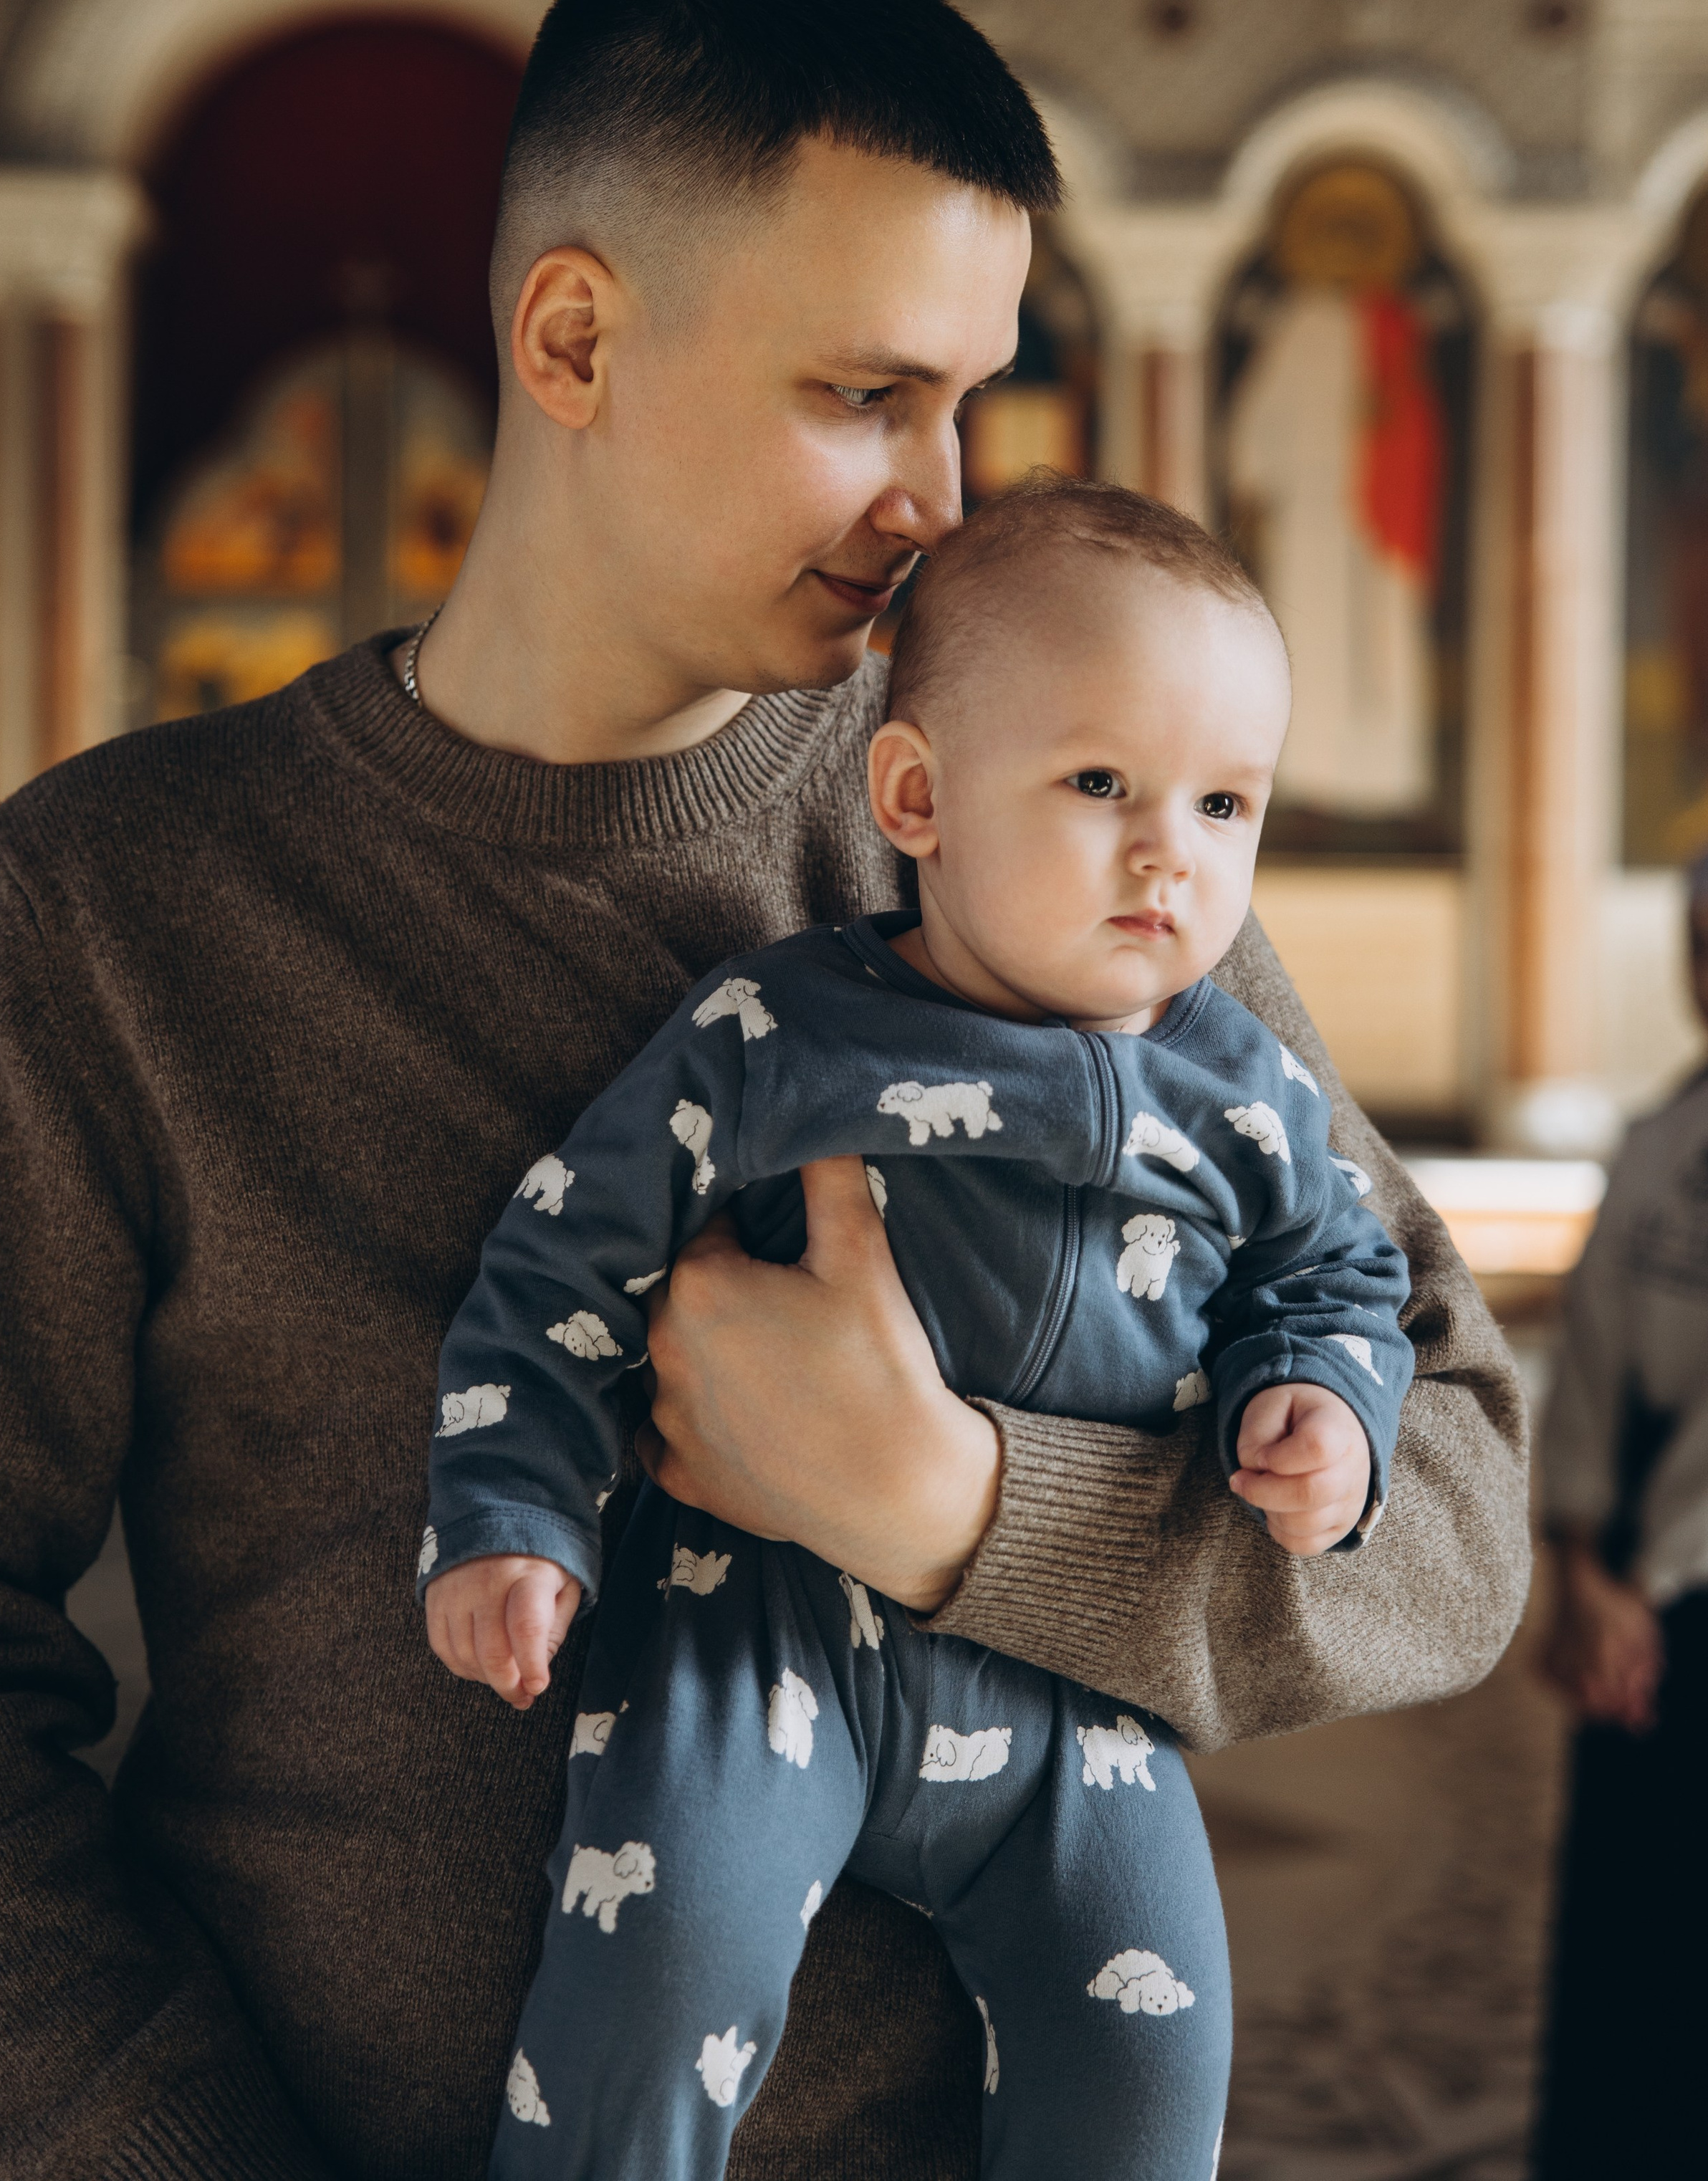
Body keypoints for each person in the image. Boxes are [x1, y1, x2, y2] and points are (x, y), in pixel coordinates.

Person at [0, 0, 1527, 2181]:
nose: (943, 497)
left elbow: (1457, 1495)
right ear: (573, 335)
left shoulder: (1050, 835)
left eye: (971, 401)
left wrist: (963, 1515)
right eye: (865, 396)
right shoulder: (115, 910)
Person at [426, 479, 1414, 2178]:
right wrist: (509, 1516)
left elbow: (1341, 1280)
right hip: (753, 1636)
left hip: (1067, 1692)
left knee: (1155, 2042)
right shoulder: (775, 1024)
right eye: (1098, 782)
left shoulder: (1243, 1086)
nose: (1168, 849)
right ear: (917, 795)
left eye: (1225, 801)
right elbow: (555, 1267)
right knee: (651, 1975)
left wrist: (1324, 1401)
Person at [1535, 855, 1708, 2178]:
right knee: (1629, 1939)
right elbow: (1586, 1358)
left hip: (1680, 1586)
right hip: (1632, 1591)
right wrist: (1579, 1564)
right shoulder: (1662, 1139)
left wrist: (1644, 1579)